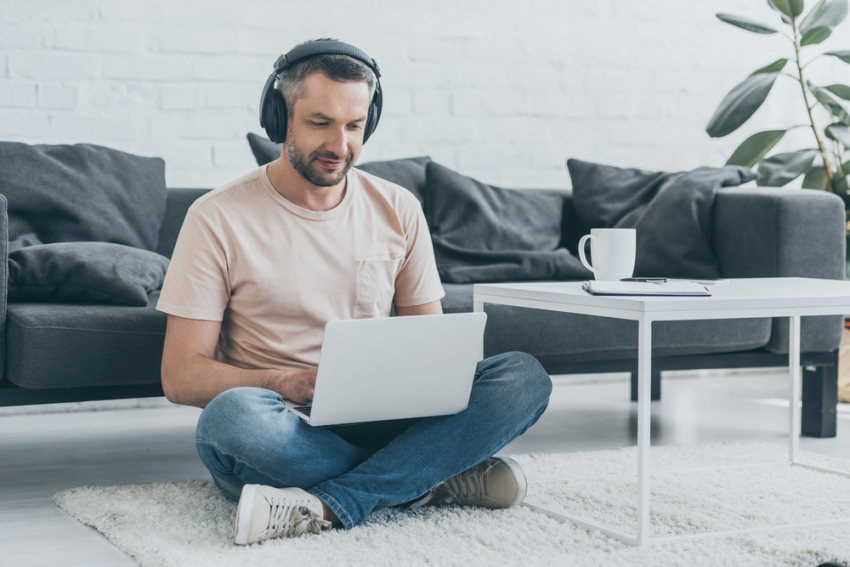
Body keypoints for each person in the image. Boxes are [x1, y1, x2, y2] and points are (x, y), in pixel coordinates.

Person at [156, 38, 552, 545]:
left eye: (354, 126)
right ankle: (432, 476)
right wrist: (287, 382)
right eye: (319, 123)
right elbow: (180, 376)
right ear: (280, 119)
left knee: (523, 377)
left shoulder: (398, 208)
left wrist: (423, 382)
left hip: (385, 417)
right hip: (284, 427)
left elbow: (430, 347)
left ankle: (337, 501)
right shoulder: (216, 217)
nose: (339, 145)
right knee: (231, 422)